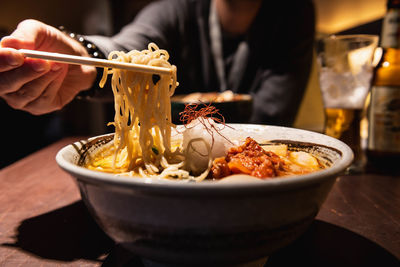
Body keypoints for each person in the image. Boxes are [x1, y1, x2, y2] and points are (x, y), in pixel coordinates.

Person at [0, 0, 315, 126]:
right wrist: (81, 59)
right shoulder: (174, 11)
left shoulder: (294, 13)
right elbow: (128, 50)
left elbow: (275, 113)